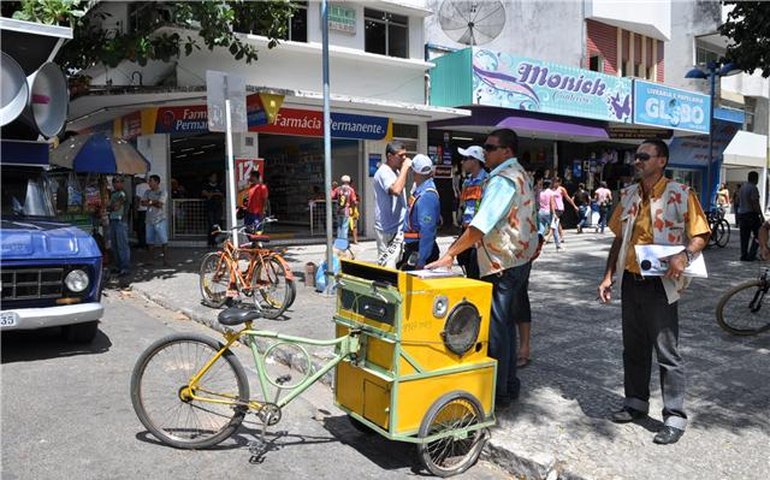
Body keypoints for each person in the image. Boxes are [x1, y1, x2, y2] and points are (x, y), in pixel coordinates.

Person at [597, 139, 710, 445]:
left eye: (644, 156)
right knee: (632, 348)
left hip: (661, 284)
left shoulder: (681, 194)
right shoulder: (630, 194)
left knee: (667, 352)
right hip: (632, 281)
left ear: (661, 160)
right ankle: (635, 403)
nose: (638, 160)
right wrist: (608, 276)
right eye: (636, 156)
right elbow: (619, 239)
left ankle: (674, 416)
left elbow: (700, 234)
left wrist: (684, 256)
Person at [426, 128, 542, 409]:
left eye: (490, 148)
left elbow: (481, 224)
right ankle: (510, 385)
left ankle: (498, 392)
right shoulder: (521, 174)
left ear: (506, 151)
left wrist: (450, 254)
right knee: (507, 326)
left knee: (497, 329)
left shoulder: (503, 179)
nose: (485, 152)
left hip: (501, 263)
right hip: (519, 260)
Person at [398, 154, 441, 270]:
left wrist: (421, 259)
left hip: (420, 249)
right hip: (415, 247)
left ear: (414, 172)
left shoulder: (427, 195)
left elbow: (427, 230)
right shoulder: (420, 191)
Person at [373, 141, 412, 268]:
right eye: (401, 156)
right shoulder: (384, 171)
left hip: (398, 228)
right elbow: (395, 190)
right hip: (387, 230)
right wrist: (405, 168)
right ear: (390, 156)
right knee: (388, 267)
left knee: (398, 263)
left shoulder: (395, 172)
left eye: (405, 155)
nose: (404, 158)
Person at [455, 145, 488, 279]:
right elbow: (463, 205)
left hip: (479, 233)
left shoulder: (487, 181)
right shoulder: (467, 182)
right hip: (466, 230)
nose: (462, 162)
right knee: (462, 259)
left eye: (465, 158)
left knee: (476, 271)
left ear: (475, 160)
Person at [142, 174, 169, 267]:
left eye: (151, 181)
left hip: (160, 219)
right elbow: (143, 202)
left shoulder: (163, 191)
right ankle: (151, 259)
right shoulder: (147, 191)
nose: (149, 183)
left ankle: (165, 260)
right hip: (149, 220)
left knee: (163, 240)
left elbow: (160, 204)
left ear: (157, 182)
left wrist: (150, 201)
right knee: (150, 241)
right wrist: (154, 201)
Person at [737, 171, 764, 261]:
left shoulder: (742, 188)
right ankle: (752, 254)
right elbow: (755, 203)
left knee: (744, 236)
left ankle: (743, 255)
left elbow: (738, 200)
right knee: (759, 234)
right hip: (751, 214)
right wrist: (760, 214)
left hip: (742, 214)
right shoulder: (753, 188)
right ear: (755, 178)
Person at [108, 176, 130, 277]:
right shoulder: (113, 194)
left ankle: (125, 267)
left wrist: (110, 206)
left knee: (122, 245)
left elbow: (116, 206)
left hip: (121, 220)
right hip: (113, 220)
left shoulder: (123, 194)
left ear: (122, 183)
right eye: (114, 182)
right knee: (114, 245)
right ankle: (118, 266)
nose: (116, 184)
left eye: (118, 182)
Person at [331, 175, 358, 242]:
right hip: (346, 210)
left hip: (338, 210)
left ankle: (339, 241)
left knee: (339, 226)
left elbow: (332, 196)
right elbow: (354, 200)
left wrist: (333, 188)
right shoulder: (351, 190)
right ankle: (343, 243)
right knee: (345, 227)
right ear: (349, 182)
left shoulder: (338, 189)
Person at [552, 177, 578, 243]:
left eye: (556, 182)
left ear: (559, 182)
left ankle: (551, 238)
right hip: (552, 208)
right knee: (557, 223)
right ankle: (561, 237)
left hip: (559, 208)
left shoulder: (561, 189)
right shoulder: (551, 189)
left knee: (554, 222)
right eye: (554, 181)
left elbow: (567, 198)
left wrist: (574, 206)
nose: (554, 183)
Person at [202, 172, 224, 247]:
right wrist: (215, 194)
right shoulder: (206, 186)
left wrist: (212, 194)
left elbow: (222, 194)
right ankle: (210, 242)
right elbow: (205, 194)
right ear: (209, 178)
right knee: (211, 225)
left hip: (218, 208)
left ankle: (215, 242)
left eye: (215, 177)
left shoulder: (219, 186)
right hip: (210, 208)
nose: (215, 178)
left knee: (217, 224)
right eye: (213, 177)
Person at [538, 179, 561, 251]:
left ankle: (539, 241)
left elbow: (537, 202)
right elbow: (552, 204)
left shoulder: (540, 192)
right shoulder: (551, 193)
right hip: (548, 212)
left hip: (540, 211)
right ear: (549, 185)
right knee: (554, 228)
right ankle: (558, 245)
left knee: (541, 228)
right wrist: (554, 213)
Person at [134, 176, 149, 250]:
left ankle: (142, 244)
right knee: (146, 227)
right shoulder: (149, 185)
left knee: (140, 228)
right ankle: (147, 243)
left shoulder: (138, 186)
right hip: (149, 209)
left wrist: (135, 209)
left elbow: (138, 198)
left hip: (141, 209)